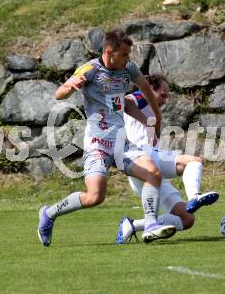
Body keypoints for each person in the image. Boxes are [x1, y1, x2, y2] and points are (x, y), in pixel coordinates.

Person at [37, 29, 176, 247]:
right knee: (95, 197)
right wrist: (71, 86)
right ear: (109, 52)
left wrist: (154, 116)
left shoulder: (128, 69)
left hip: (121, 142)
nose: (128, 59)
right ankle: (48, 214)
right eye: (124, 55)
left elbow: (144, 89)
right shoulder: (91, 69)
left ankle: (150, 225)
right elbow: (59, 93)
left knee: (153, 174)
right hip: (98, 144)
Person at [116, 73, 219, 244]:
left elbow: (150, 137)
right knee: (193, 161)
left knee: (186, 219)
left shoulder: (149, 111)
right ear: (150, 90)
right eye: (163, 95)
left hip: (150, 166)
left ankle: (132, 225)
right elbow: (125, 101)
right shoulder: (139, 98)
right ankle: (194, 197)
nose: (165, 100)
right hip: (142, 160)